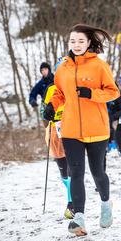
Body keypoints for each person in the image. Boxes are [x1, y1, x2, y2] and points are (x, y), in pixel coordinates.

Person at [43, 24, 120, 236]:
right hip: (70, 129)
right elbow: (59, 92)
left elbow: (113, 92)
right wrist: (51, 105)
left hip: (96, 128)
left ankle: (106, 204)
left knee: (97, 172)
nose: (76, 45)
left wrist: (91, 93)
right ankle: (79, 218)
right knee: (75, 172)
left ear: (88, 43)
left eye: (81, 41)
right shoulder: (63, 67)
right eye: (72, 41)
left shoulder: (99, 65)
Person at [43, 83, 74, 219]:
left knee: (71, 169)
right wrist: (46, 116)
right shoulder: (50, 89)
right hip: (55, 128)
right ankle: (71, 191)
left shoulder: (73, 84)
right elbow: (44, 111)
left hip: (71, 125)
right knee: (63, 172)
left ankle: (71, 203)